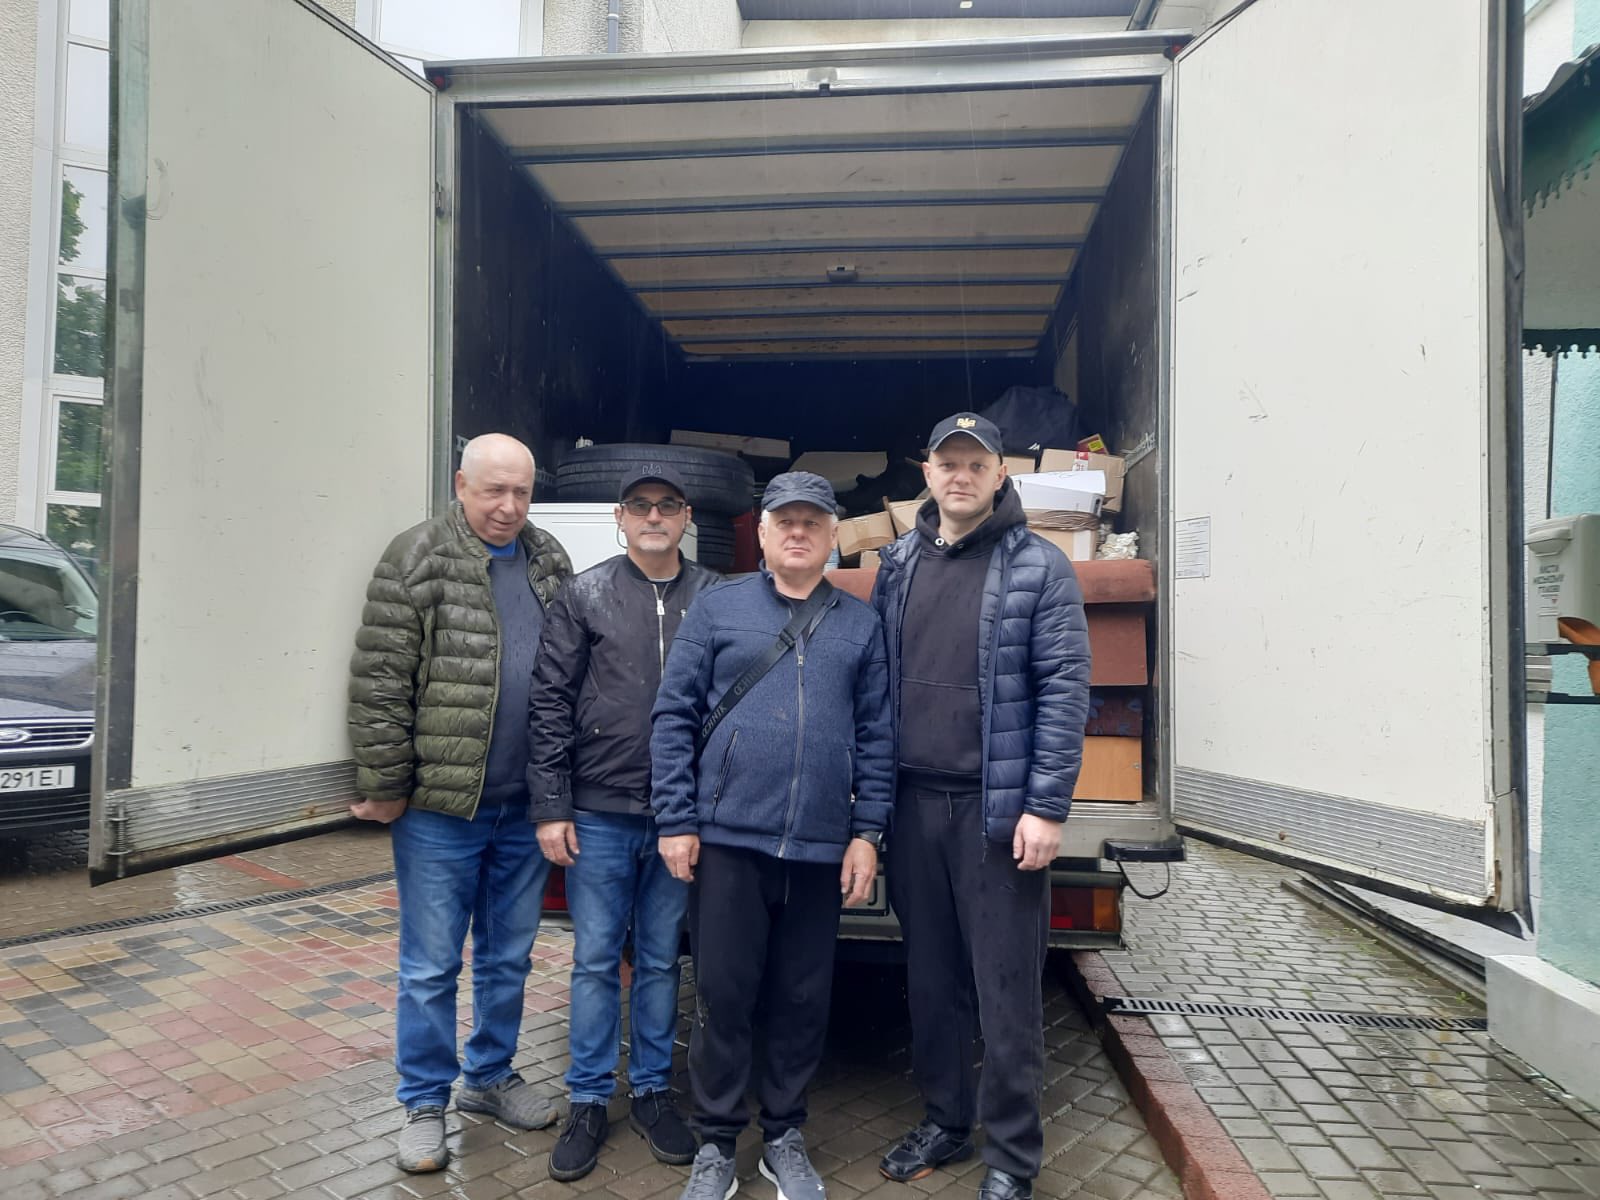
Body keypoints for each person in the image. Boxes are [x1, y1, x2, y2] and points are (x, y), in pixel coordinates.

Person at [650, 471, 895, 1200]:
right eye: (784, 520)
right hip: (728, 842)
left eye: (812, 522)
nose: (797, 532)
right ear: (761, 533)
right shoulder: (718, 609)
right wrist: (676, 819)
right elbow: (673, 717)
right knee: (723, 996)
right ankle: (717, 1142)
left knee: (801, 998)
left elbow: (878, 737)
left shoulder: (861, 625)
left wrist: (867, 832)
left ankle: (783, 1135)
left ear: (832, 537)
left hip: (819, 848)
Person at [870, 413, 1091, 1200]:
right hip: (913, 807)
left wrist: (1046, 806)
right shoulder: (898, 564)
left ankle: (1012, 1157)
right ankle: (945, 1121)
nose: (960, 476)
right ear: (926, 473)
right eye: (947, 462)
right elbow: (879, 682)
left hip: (995, 817)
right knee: (932, 981)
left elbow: (1065, 690)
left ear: (1001, 475)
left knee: (1005, 991)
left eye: (976, 463)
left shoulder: (1040, 567)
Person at [347, 432, 572, 1174]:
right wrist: (385, 784)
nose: (508, 506)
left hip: (523, 806)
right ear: (461, 484)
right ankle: (423, 1103)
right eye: (493, 490)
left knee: (508, 958)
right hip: (441, 810)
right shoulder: (416, 557)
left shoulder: (548, 559)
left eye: (521, 492)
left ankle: (489, 1076)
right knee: (431, 966)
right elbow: (382, 679)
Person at [528, 464, 720, 1182]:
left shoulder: (716, 596)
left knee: (664, 960)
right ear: (620, 517)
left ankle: (651, 1093)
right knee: (595, 960)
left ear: (686, 516)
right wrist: (552, 805)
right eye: (640, 506)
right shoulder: (583, 594)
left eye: (667, 505)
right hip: (600, 812)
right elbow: (550, 702)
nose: (654, 516)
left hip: (679, 817)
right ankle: (586, 1100)